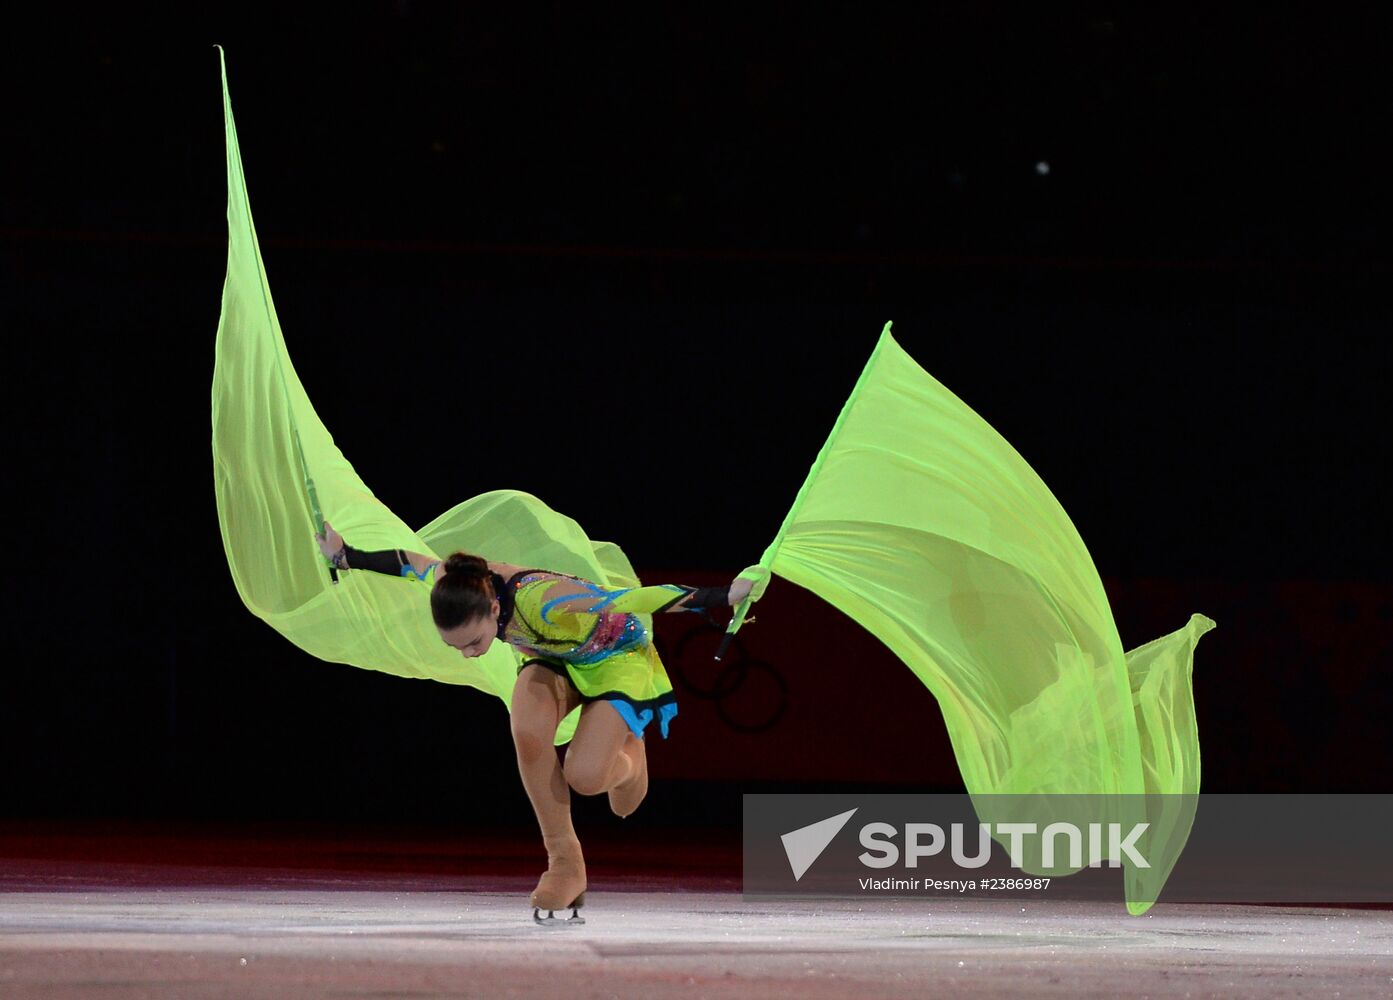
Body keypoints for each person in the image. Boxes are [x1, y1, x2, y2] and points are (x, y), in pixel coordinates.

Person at [315, 522, 754, 924]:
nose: (469, 654)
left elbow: (631, 600)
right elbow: (407, 563)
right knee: (525, 728)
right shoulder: (456, 583)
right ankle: (564, 862)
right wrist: (343, 556)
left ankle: (631, 763)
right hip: (555, 657)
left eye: (474, 642)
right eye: (457, 648)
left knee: (585, 777)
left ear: (492, 607)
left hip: (614, 657)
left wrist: (722, 595)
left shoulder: (543, 600)